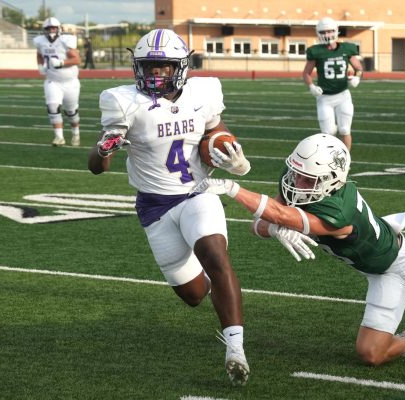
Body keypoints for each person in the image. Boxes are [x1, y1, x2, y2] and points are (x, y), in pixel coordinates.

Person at [88, 29, 313, 385]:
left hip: (198, 191)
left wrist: (233, 156)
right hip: (155, 206)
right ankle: (217, 292)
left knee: (215, 254)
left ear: (181, 66)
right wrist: (103, 151)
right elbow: (95, 168)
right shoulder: (121, 101)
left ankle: (235, 348)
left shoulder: (204, 91)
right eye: (149, 67)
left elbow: (216, 132)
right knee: (193, 294)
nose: (156, 74)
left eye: (163, 67)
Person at [192, 133, 405, 366]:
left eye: (307, 179)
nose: (297, 182)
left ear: (332, 180)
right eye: (296, 173)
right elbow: (257, 226)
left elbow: (277, 213)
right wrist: (276, 229)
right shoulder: (297, 179)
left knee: (371, 354)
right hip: (364, 251)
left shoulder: (339, 214)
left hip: (389, 268)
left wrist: (233, 188)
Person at [303, 17, 363, 151]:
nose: (327, 35)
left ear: (336, 31)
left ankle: (346, 160)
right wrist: (311, 86)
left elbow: (358, 68)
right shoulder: (316, 51)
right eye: (323, 32)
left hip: (343, 95)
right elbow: (306, 73)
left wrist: (357, 78)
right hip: (325, 98)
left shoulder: (347, 49)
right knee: (327, 134)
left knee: (344, 129)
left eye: (329, 31)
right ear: (318, 33)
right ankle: (329, 161)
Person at [33, 17, 81, 147]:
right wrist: (40, 65)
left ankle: (75, 133)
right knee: (52, 107)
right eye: (48, 28)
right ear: (44, 30)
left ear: (58, 29)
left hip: (70, 82)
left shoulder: (66, 41)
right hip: (52, 81)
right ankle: (59, 137)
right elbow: (39, 54)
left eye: (53, 28)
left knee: (71, 112)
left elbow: (77, 60)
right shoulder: (40, 42)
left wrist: (62, 63)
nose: (51, 30)